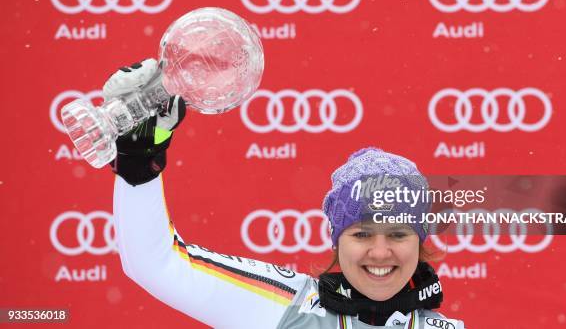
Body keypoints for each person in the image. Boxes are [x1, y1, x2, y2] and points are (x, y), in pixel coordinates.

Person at [108, 59, 466, 329]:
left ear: (421, 243)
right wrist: (138, 163)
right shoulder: (286, 307)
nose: (379, 251)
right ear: (337, 240)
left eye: (398, 233)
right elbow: (158, 265)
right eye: (361, 233)